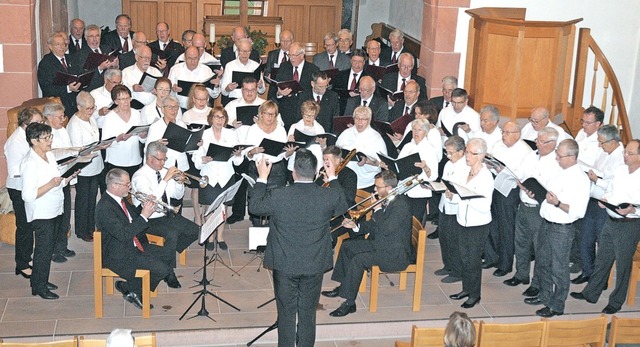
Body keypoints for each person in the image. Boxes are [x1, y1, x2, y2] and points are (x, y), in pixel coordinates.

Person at [249, 149, 348, 346]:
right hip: (314, 263)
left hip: (285, 264)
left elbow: (255, 207)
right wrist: (333, 177)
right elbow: (343, 206)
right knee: (308, 313)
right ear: (316, 170)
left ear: (293, 172)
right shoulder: (327, 196)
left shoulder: (279, 195)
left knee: (286, 312)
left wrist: (261, 178)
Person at [322, 170, 413, 316]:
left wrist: (377, 210)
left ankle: (350, 304)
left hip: (394, 254)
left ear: (389, 187)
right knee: (347, 246)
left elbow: (387, 229)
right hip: (382, 244)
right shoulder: (388, 199)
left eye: (378, 187)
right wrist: (356, 227)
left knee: (359, 260)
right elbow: (374, 223)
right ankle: (344, 286)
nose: (374, 190)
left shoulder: (401, 205)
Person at [570, 139, 640, 315]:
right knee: (602, 259)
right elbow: (611, 188)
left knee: (623, 265)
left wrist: (633, 209)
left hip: (629, 225)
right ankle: (591, 293)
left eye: (630, 153)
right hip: (611, 220)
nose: (625, 155)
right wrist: (606, 199)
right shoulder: (620, 170)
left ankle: (616, 301)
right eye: (625, 152)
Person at [525, 139, 589, 317]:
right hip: (546, 223)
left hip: (562, 228)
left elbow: (578, 211)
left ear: (572, 157)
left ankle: (557, 305)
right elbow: (547, 196)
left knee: (559, 268)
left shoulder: (581, 180)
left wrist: (558, 203)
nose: (556, 158)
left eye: (559, 156)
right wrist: (536, 193)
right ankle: (545, 296)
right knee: (542, 262)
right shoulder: (559, 171)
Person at [95, 168, 171, 310]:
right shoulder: (105, 208)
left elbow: (132, 216)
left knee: (167, 254)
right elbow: (123, 234)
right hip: (118, 255)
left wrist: (145, 205)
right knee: (162, 269)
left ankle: (129, 286)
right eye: (127, 184)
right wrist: (144, 216)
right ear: (114, 186)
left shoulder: (119, 200)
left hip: (132, 245)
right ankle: (135, 289)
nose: (130, 187)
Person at [131, 141, 200, 289]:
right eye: (161, 159)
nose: (164, 163)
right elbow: (150, 202)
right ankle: (169, 272)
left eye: (165, 159)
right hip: (148, 219)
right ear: (150, 159)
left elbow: (176, 195)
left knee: (195, 230)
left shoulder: (163, 172)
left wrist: (180, 183)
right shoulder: (139, 176)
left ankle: (166, 256)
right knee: (172, 234)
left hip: (167, 214)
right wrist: (165, 180)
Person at [22, 122, 79, 300]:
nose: (50, 140)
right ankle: (39, 286)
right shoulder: (30, 163)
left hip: (55, 208)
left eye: (50, 136)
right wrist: (51, 184)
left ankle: (41, 280)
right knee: (43, 250)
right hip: (42, 213)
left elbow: (57, 179)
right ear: (34, 141)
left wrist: (67, 177)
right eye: (46, 138)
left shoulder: (49, 155)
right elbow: (28, 195)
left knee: (48, 248)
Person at [505, 127, 560, 293]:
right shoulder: (531, 155)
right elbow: (520, 174)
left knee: (539, 248)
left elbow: (553, 187)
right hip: (524, 203)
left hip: (539, 208)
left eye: (541, 141)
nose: (537, 143)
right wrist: (520, 183)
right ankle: (521, 274)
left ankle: (537, 284)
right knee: (520, 242)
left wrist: (536, 190)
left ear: (552, 143)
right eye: (537, 140)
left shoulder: (556, 162)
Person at [573, 125, 624, 285]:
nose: (600, 146)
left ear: (613, 141)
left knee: (602, 244)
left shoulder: (621, 159)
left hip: (605, 205)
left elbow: (616, 185)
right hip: (592, 200)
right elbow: (595, 169)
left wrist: (597, 180)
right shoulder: (604, 153)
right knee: (585, 239)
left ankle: (600, 281)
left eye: (602, 143)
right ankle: (588, 272)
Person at [447, 138, 494, 309]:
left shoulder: (486, 177)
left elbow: (484, 205)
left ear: (481, 156)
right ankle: (466, 289)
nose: (467, 156)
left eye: (471, 153)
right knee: (464, 257)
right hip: (462, 220)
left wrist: (465, 197)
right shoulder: (464, 171)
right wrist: (452, 194)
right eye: (466, 152)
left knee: (473, 260)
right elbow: (457, 191)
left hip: (478, 225)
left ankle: (475, 295)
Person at [486, 121, 532, 277]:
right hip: (494, 185)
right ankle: (492, 257)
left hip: (510, 192)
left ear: (517, 135)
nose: (503, 135)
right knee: (493, 223)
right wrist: (490, 164)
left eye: (507, 133)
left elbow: (523, 175)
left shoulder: (525, 151)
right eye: (503, 132)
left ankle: (505, 264)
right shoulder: (498, 144)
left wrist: (503, 170)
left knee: (506, 227)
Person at [192, 106, 244, 248]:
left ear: (226, 119)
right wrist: (203, 159)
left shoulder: (232, 134)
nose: (219, 120)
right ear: (211, 119)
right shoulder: (203, 135)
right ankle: (209, 237)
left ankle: (220, 237)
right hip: (209, 177)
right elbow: (196, 160)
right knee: (208, 208)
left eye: (222, 117)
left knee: (223, 208)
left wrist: (238, 155)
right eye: (216, 117)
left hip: (226, 176)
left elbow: (238, 161)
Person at [6, 107, 44, 280]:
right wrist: (34, 168)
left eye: (41, 122)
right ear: (25, 123)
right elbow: (14, 171)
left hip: (29, 186)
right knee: (24, 227)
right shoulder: (16, 141)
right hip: (18, 187)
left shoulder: (30, 136)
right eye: (37, 122)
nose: (40, 125)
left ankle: (27, 260)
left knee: (30, 224)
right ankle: (22, 264)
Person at [67, 92, 104, 243]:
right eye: (88, 108)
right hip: (83, 168)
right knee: (83, 200)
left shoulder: (91, 118)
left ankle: (91, 227)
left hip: (95, 165)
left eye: (93, 107)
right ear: (79, 107)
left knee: (92, 198)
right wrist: (95, 148)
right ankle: (82, 230)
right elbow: (78, 150)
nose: (91, 111)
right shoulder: (74, 124)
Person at [42, 103, 77, 263]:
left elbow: (68, 149)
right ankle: (54, 250)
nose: (63, 120)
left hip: (65, 176)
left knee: (64, 215)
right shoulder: (43, 134)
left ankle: (62, 246)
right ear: (48, 117)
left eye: (63, 116)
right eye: (60, 117)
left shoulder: (62, 130)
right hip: (52, 179)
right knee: (56, 216)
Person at [434, 136, 468, 284]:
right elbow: (444, 181)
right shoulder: (448, 164)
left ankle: (457, 271)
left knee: (454, 240)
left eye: (451, 153)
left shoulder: (466, 167)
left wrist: (452, 192)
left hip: (456, 208)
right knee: (444, 238)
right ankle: (447, 265)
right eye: (446, 152)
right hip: (445, 205)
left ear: (461, 152)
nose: (448, 156)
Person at [390, 118, 439, 221]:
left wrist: (425, 167)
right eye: (414, 130)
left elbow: (434, 176)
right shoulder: (408, 146)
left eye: (419, 130)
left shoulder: (430, 149)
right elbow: (398, 165)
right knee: (402, 220)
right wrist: (390, 165)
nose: (416, 133)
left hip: (419, 192)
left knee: (415, 222)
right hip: (403, 189)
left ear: (425, 132)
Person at [335, 106, 387, 191]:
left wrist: (366, 161)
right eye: (357, 118)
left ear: (369, 120)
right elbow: (336, 152)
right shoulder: (346, 133)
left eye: (363, 119)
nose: (359, 122)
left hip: (366, 182)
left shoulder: (376, 138)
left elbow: (382, 163)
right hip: (346, 180)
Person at [101, 84, 147, 178]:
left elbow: (141, 139)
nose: (126, 102)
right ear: (115, 101)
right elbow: (104, 143)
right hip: (117, 160)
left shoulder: (136, 113)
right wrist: (118, 139)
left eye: (127, 98)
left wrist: (143, 136)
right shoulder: (110, 117)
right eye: (122, 99)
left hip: (134, 159)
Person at [274, 42, 320, 130]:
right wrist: (279, 93)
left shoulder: (313, 69)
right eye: (289, 55)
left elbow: (315, 91)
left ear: (302, 55)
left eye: (294, 55)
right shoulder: (284, 67)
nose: (291, 58)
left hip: (305, 113)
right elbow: (276, 88)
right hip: (286, 112)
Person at [37, 33, 81, 117]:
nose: (62, 47)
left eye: (63, 44)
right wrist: (68, 88)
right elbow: (47, 88)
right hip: (58, 105)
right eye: (58, 44)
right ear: (50, 47)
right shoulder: (46, 63)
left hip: (74, 103)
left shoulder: (71, 58)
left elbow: (77, 74)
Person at [168, 46, 220, 110]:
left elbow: (214, 95)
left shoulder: (206, 70)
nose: (193, 61)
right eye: (190, 58)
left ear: (199, 58)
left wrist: (216, 86)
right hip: (179, 109)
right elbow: (168, 93)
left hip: (201, 109)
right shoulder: (175, 69)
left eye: (195, 58)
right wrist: (173, 89)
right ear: (185, 57)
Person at [286, 100, 325, 182]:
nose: (309, 118)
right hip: (297, 164)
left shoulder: (320, 129)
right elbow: (287, 153)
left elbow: (324, 151)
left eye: (312, 116)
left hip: (313, 166)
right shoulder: (294, 127)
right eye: (307, 115)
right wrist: (291, 142)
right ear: (302, 114)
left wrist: (323, 145)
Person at [70, 24, 118, 91]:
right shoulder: (80, 55)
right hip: (92, 90)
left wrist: (115, 65)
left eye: (97, 36)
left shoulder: (107, 48)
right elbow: (82, 77)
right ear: (86, 38)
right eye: (91, 36)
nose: (95, 39)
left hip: (109, 89)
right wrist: (100, 68)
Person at [220, 38, 266, 104]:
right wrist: (228, 88)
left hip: (252, 101)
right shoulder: (230, 66)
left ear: (251, 52)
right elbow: (223, 91)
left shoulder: (256, 65)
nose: (244, 54)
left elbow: (262, 91)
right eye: (242, 51)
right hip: (234, 101)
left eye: (247, 51)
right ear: (238, 51)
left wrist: (260, 86)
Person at [332, 49, 368, 114]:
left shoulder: (368, 78)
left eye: (360, 61)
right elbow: (334, 92)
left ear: (364, 62)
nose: (357, 64)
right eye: (354, 61)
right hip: (341, 110)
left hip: (360, 112)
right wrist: (347, 94)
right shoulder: (340, 75)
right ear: (351, 61)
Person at [265, 29, 294, 100]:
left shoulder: (295, 55)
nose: (285, 43)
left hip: (290, 92)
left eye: (287, 41)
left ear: (292, 41)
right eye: (282, 40)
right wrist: (268, 77)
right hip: (274, 92)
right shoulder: (272, 54)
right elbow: (266, 72)